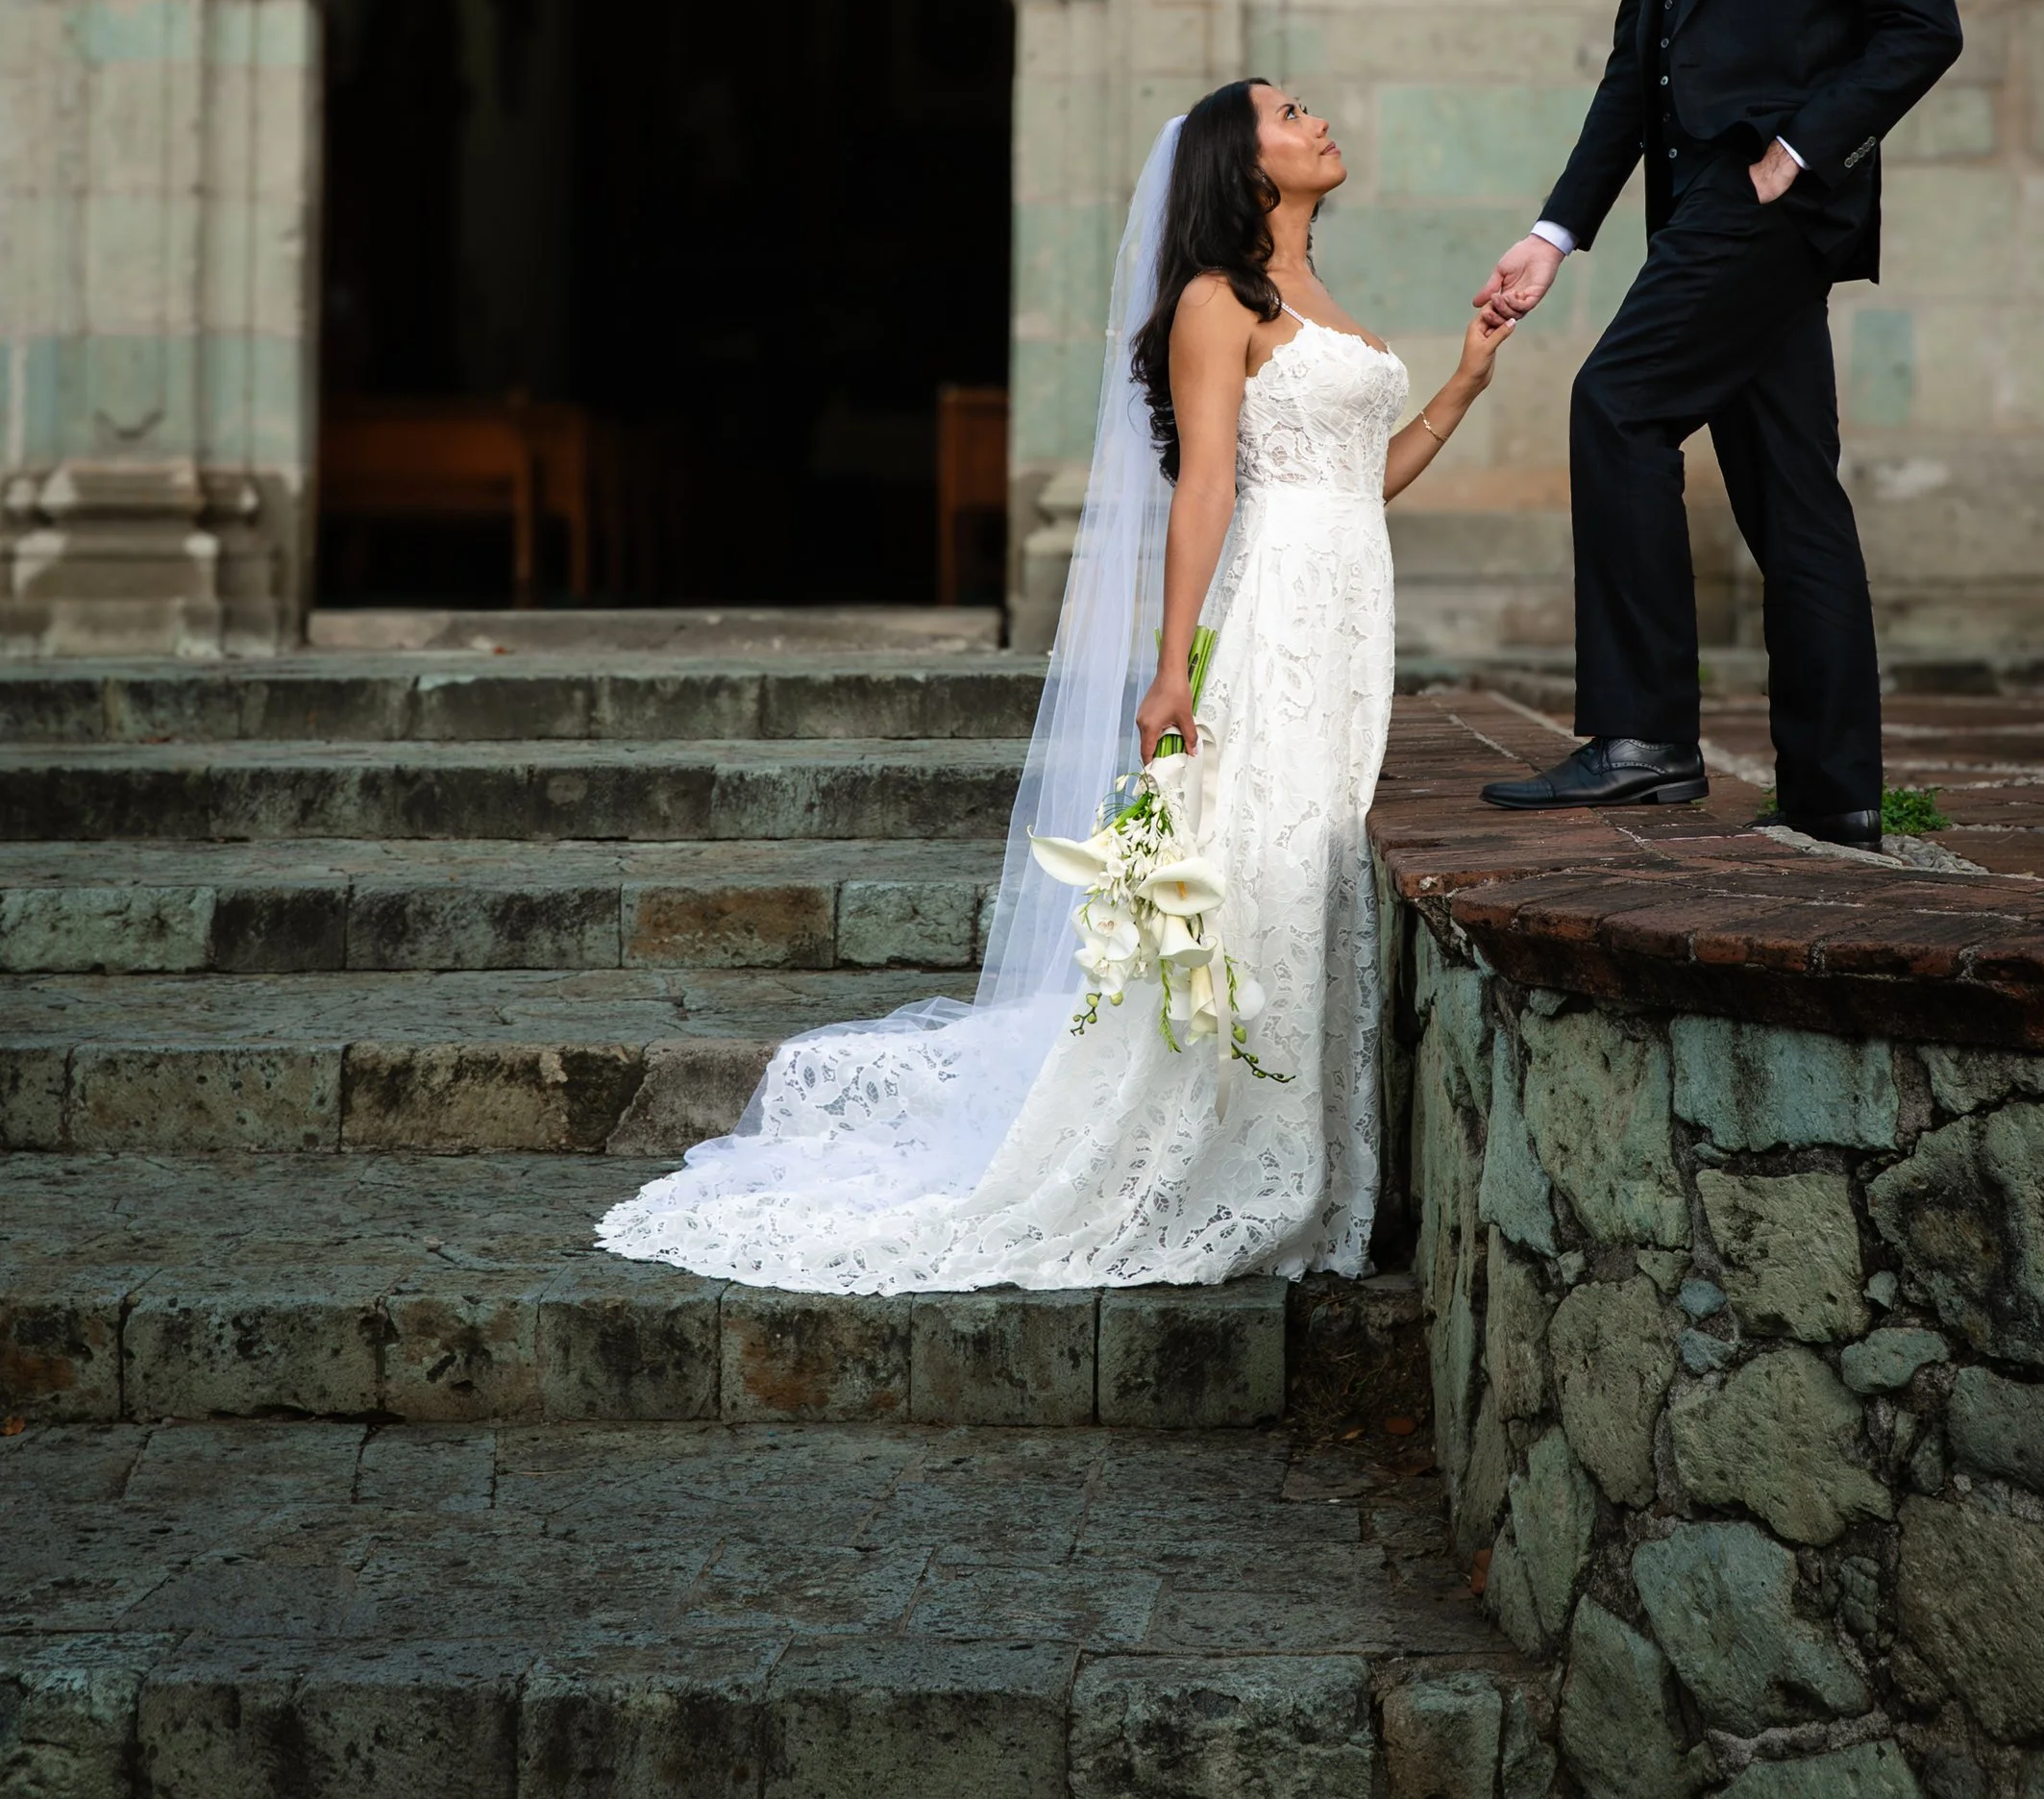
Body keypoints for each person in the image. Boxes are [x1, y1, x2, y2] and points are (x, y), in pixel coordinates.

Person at [596, 80, 1511, 1292]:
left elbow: (1347, 482)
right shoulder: (1210, 300)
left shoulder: (1317, 296)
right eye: (1290, 114)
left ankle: (1308, 1153)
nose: (1320, 120)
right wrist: (1173, 667)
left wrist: (1463, 383)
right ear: (1246, 165)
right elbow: (1206, 494)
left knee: (1316, 861)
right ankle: (1230, 1155)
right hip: (1275, 616)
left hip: (1351, 612)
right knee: (1261, 867)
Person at [1474, 0, 1961, 851]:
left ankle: (1642, 740)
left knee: (1617, 404)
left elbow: (1919, 25)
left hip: (1768, 212)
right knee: (1792, 496)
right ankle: (1835, 792)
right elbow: (1631, 77)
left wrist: (1796, 152)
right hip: (1693, 213)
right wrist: (1554, 232)